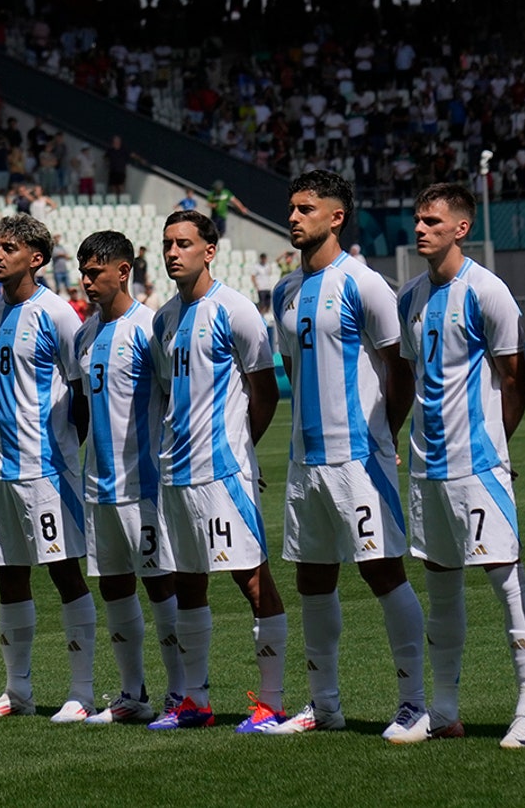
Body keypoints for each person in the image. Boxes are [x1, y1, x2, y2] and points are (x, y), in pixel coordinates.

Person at [265, 170, 424, 740]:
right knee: (313, 578)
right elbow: (292, 367)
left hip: (359, 457)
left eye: (306, 208)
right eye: (291, 208)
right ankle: (323, 705)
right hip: (305, 461)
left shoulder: (364, 282)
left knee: (383, 572)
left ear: (336, 217)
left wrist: (385, 434)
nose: (293, 217)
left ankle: (414, 705)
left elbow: (398, 370)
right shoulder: (284, 290)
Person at [397, 183, 525, 747]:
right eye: (418, 219)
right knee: (440, 587)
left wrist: (495, 448)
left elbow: (516, 378)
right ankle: (445, 708)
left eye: (432, 221)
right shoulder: (410, 295)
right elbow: (412, 378)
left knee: (506, 580)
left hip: (478, 465)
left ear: (461, 228)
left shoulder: (489, 292)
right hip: (427, 467)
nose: (420, 229)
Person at [146, 210, 287, 732]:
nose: (172, 253)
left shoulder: (235, 309)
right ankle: (195, 701)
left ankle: (271, 703)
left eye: (183, 243)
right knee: (188, 583)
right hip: (175, 473)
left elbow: (264, 389)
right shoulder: (162, 319)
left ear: (210, 250)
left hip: (222, 471)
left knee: (251, 579)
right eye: (167, 244)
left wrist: (241, 450)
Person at [0, 214, 98, 722]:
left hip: (48, 469)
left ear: (36, 258)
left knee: (65, 572)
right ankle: (16, 690)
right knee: (8, 576)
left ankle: (82, 692)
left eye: (8, 248)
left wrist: (65, 451)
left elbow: (82, 391)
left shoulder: (58, 315)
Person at [72, 230, 186, 724]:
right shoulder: (84, 334)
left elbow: (175, 399)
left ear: (124, 270)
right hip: (98, 486)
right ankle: (132, 695)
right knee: (114, 587)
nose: (86, 281)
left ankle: (181, 694)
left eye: (95, 271)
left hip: (145, 486)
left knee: (161, 586)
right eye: (83, 272)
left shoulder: (150, 328)